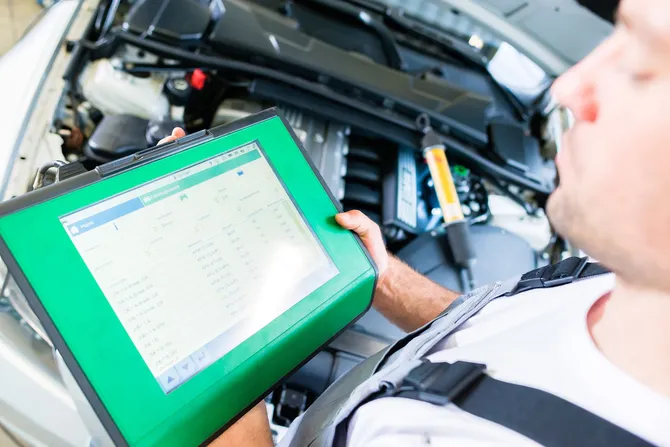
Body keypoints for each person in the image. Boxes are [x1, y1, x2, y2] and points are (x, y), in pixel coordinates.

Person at [162, 0, 670, 444]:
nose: (570, 86)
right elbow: (488, 331)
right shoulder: (604, 282)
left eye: (642, 63)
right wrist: (379, 277)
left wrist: (219, 373)